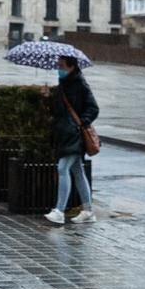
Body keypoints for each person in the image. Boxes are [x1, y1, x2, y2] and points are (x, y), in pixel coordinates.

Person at [45, 54, 98, 225]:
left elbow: (93, 108)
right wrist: (48, 96)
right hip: (64, 135)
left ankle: (59, 210)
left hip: (74, 136)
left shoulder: (80, 84)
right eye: (58, 66)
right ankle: (88, 210)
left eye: (62, 66)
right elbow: (59, 111)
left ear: (72, 66)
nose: (59, 69)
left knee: (62, 168)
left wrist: (81, 123)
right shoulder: (63, 84)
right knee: (77, 172)